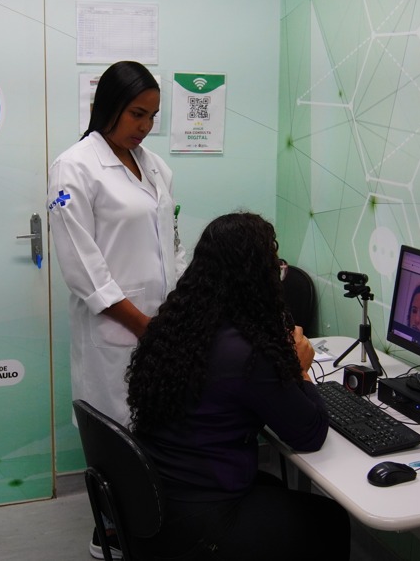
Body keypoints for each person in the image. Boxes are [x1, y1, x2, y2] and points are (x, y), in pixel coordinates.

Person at [125, 212, 350, 560]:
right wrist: (298, 368)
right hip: (201, 522)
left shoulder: (174, 324)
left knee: (274, 488)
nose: (278, 274)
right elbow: (311, 433)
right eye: (275, 266)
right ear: (256, 277)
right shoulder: (248, 354)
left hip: (156, 502)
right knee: (331, 519)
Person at [47, 60, 187, 559]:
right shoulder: (74, 167)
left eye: (152, 115)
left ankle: (151, 527)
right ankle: (108, 531)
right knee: (116, 434)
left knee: (156, 427)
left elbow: (171, 245)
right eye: (135, 113)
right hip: (117, 330)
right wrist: (144, 326)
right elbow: (83, 269)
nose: (145, 126)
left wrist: (178, 314)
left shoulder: (154, 165)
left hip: (159, 326)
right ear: (107, 107)